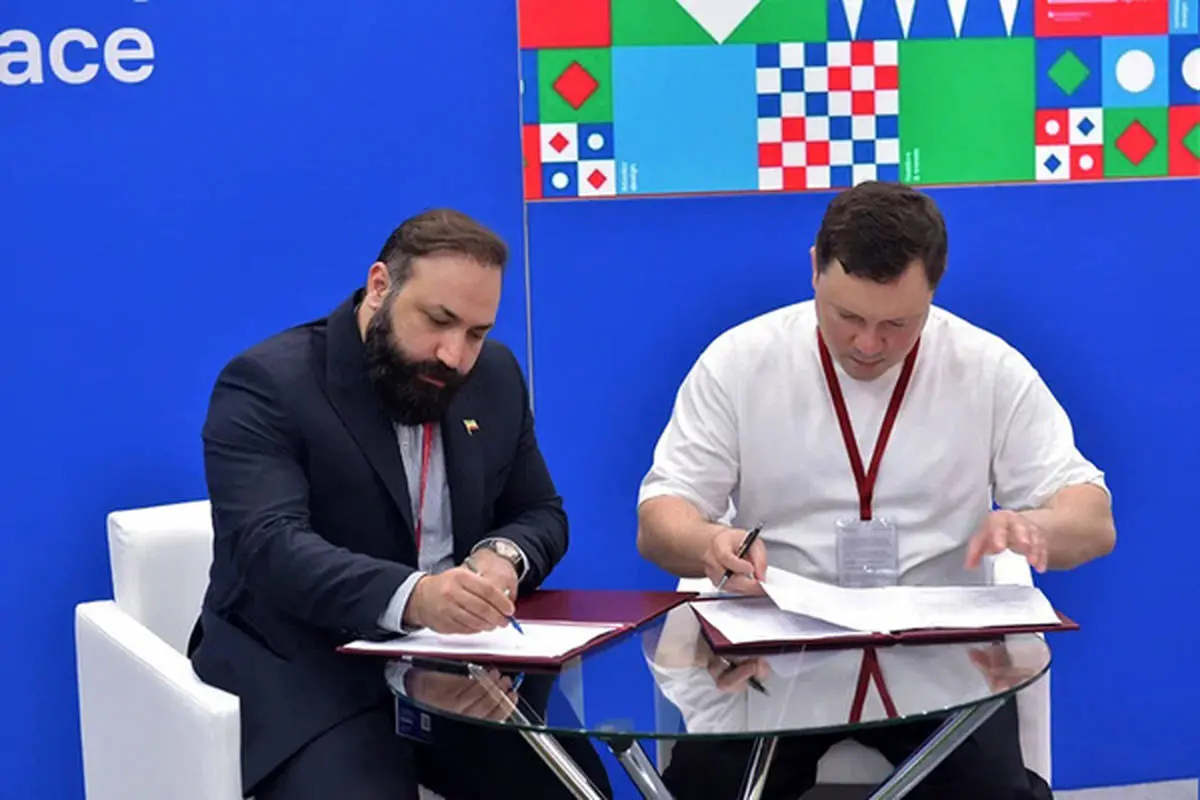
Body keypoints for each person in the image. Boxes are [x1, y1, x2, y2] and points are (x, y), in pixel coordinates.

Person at [635, 181, 1116, 799]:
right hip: (776, 651)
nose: (868, 344)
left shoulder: (987, 368)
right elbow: (661, 518)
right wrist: (708, 543)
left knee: (998, 794)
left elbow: (1093, 518)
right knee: (705, 788)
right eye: (847, 317)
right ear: (815, 268)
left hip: (941, 656)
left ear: (934, 289)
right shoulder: (739, 362)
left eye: (897, 324)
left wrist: (1038, 527)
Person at [187, 209, 612, 800]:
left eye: (476, 333)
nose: (454, 355)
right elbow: (270, 546)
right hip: (315, 672)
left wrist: (501, 556)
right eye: (438, 321)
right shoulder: (268, 384)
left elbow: (541, 511)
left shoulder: (494, 377)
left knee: (578, 790)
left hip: (459, 669)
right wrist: (417, 597)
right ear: (380, 286)